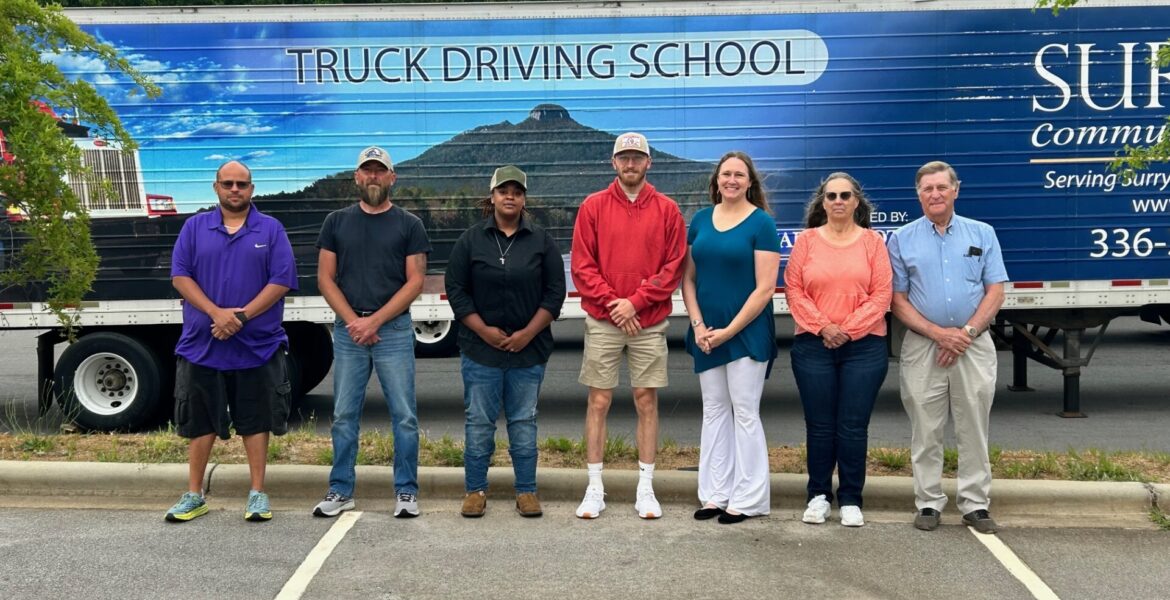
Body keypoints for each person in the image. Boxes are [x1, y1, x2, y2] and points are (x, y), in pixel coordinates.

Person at [166, 160, 297, 523]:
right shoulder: (194, 228)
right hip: (202, 344)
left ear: (252, 189)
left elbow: (281, 280)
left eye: (242, 184)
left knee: (255, 421)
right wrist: (216, 314)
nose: (235, 189)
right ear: (216, 187)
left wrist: (239, 318)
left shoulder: (270, 229)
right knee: (200, 421)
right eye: (228, 183)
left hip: (257, 345)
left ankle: (257, 493)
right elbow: (180, 277)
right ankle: (194, 494)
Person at [571, 132, 687, 519]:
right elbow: (583, 267)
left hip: (648, 321)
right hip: (605, 320)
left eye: (638, 157)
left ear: (649, 163)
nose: (631, 164)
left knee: (645, 400)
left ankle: (646, 488)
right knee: (598, 401)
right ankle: (594, 488)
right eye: (625, 157)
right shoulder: (593, 206)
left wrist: (635, 302)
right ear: (613, 162)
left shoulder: (667, 209)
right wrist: (615, 305)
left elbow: (673, 268)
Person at [888, 161, 1008, 534]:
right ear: (918, 194)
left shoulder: (983, 233)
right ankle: (927, 502)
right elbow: (897, 299)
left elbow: (996, 290)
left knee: (974, 424)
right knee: (926, 427)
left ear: (956, 190)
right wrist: (940, 334)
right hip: (925, 346)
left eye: (942, 187)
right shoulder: (901, 239)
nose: (935, 194)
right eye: (927, 189)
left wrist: (966, 333)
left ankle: (975, 503)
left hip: (973, 344)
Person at [313, 146, 431, 519]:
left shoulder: (409, 225)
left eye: (381, 171)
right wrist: (354, 322)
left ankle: (407, 492)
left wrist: (374, 321)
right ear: (357, 178)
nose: (374, 177)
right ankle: (340, 490)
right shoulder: (336, 222)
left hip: (392, 331)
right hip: (350, 332)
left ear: (392, 178)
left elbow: (414, 283)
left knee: (404, 416)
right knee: (345, 415)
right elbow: (325, 279)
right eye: (368, 171)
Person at [445, 166, 566, 518]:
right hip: (480, 349)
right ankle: (475, 490)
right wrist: (483, 330)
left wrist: (528, 332)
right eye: (503, 190)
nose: (509, 196)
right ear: (492, 196)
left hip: (529, 350)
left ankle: (526, 491)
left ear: (524, 198)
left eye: (516, 191)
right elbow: (457, 290)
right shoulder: (471, 240)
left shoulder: (540, 240)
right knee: (479, 422)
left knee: (524, 421)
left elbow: (554, 294)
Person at [785, 172, 892, 528]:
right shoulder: (807, 242)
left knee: (852, 426)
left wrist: (846, 330)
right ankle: (817, 496)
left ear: (856, 201)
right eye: (831, 196)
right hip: (813, 345)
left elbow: (881, 296)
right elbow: (794, 290)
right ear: (823, 202)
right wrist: (823, 327)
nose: (839, 201)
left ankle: (850, 498)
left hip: (864, 347)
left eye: (845, 195)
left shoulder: (873, 243)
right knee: (819, 426)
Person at [681, 151, 781, 525]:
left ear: (750, 181)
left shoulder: (762, 223)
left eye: (740, 175)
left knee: (744, 413)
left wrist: (728, 331)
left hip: (745, 333)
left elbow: (765, 289)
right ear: (717, 180)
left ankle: (749, 498)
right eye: (726, 174)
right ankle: (714, 494)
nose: (732, 180)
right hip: (706, 334)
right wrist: (698, 325)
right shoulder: (701, 220)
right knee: (714, 412)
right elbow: (688, 278)